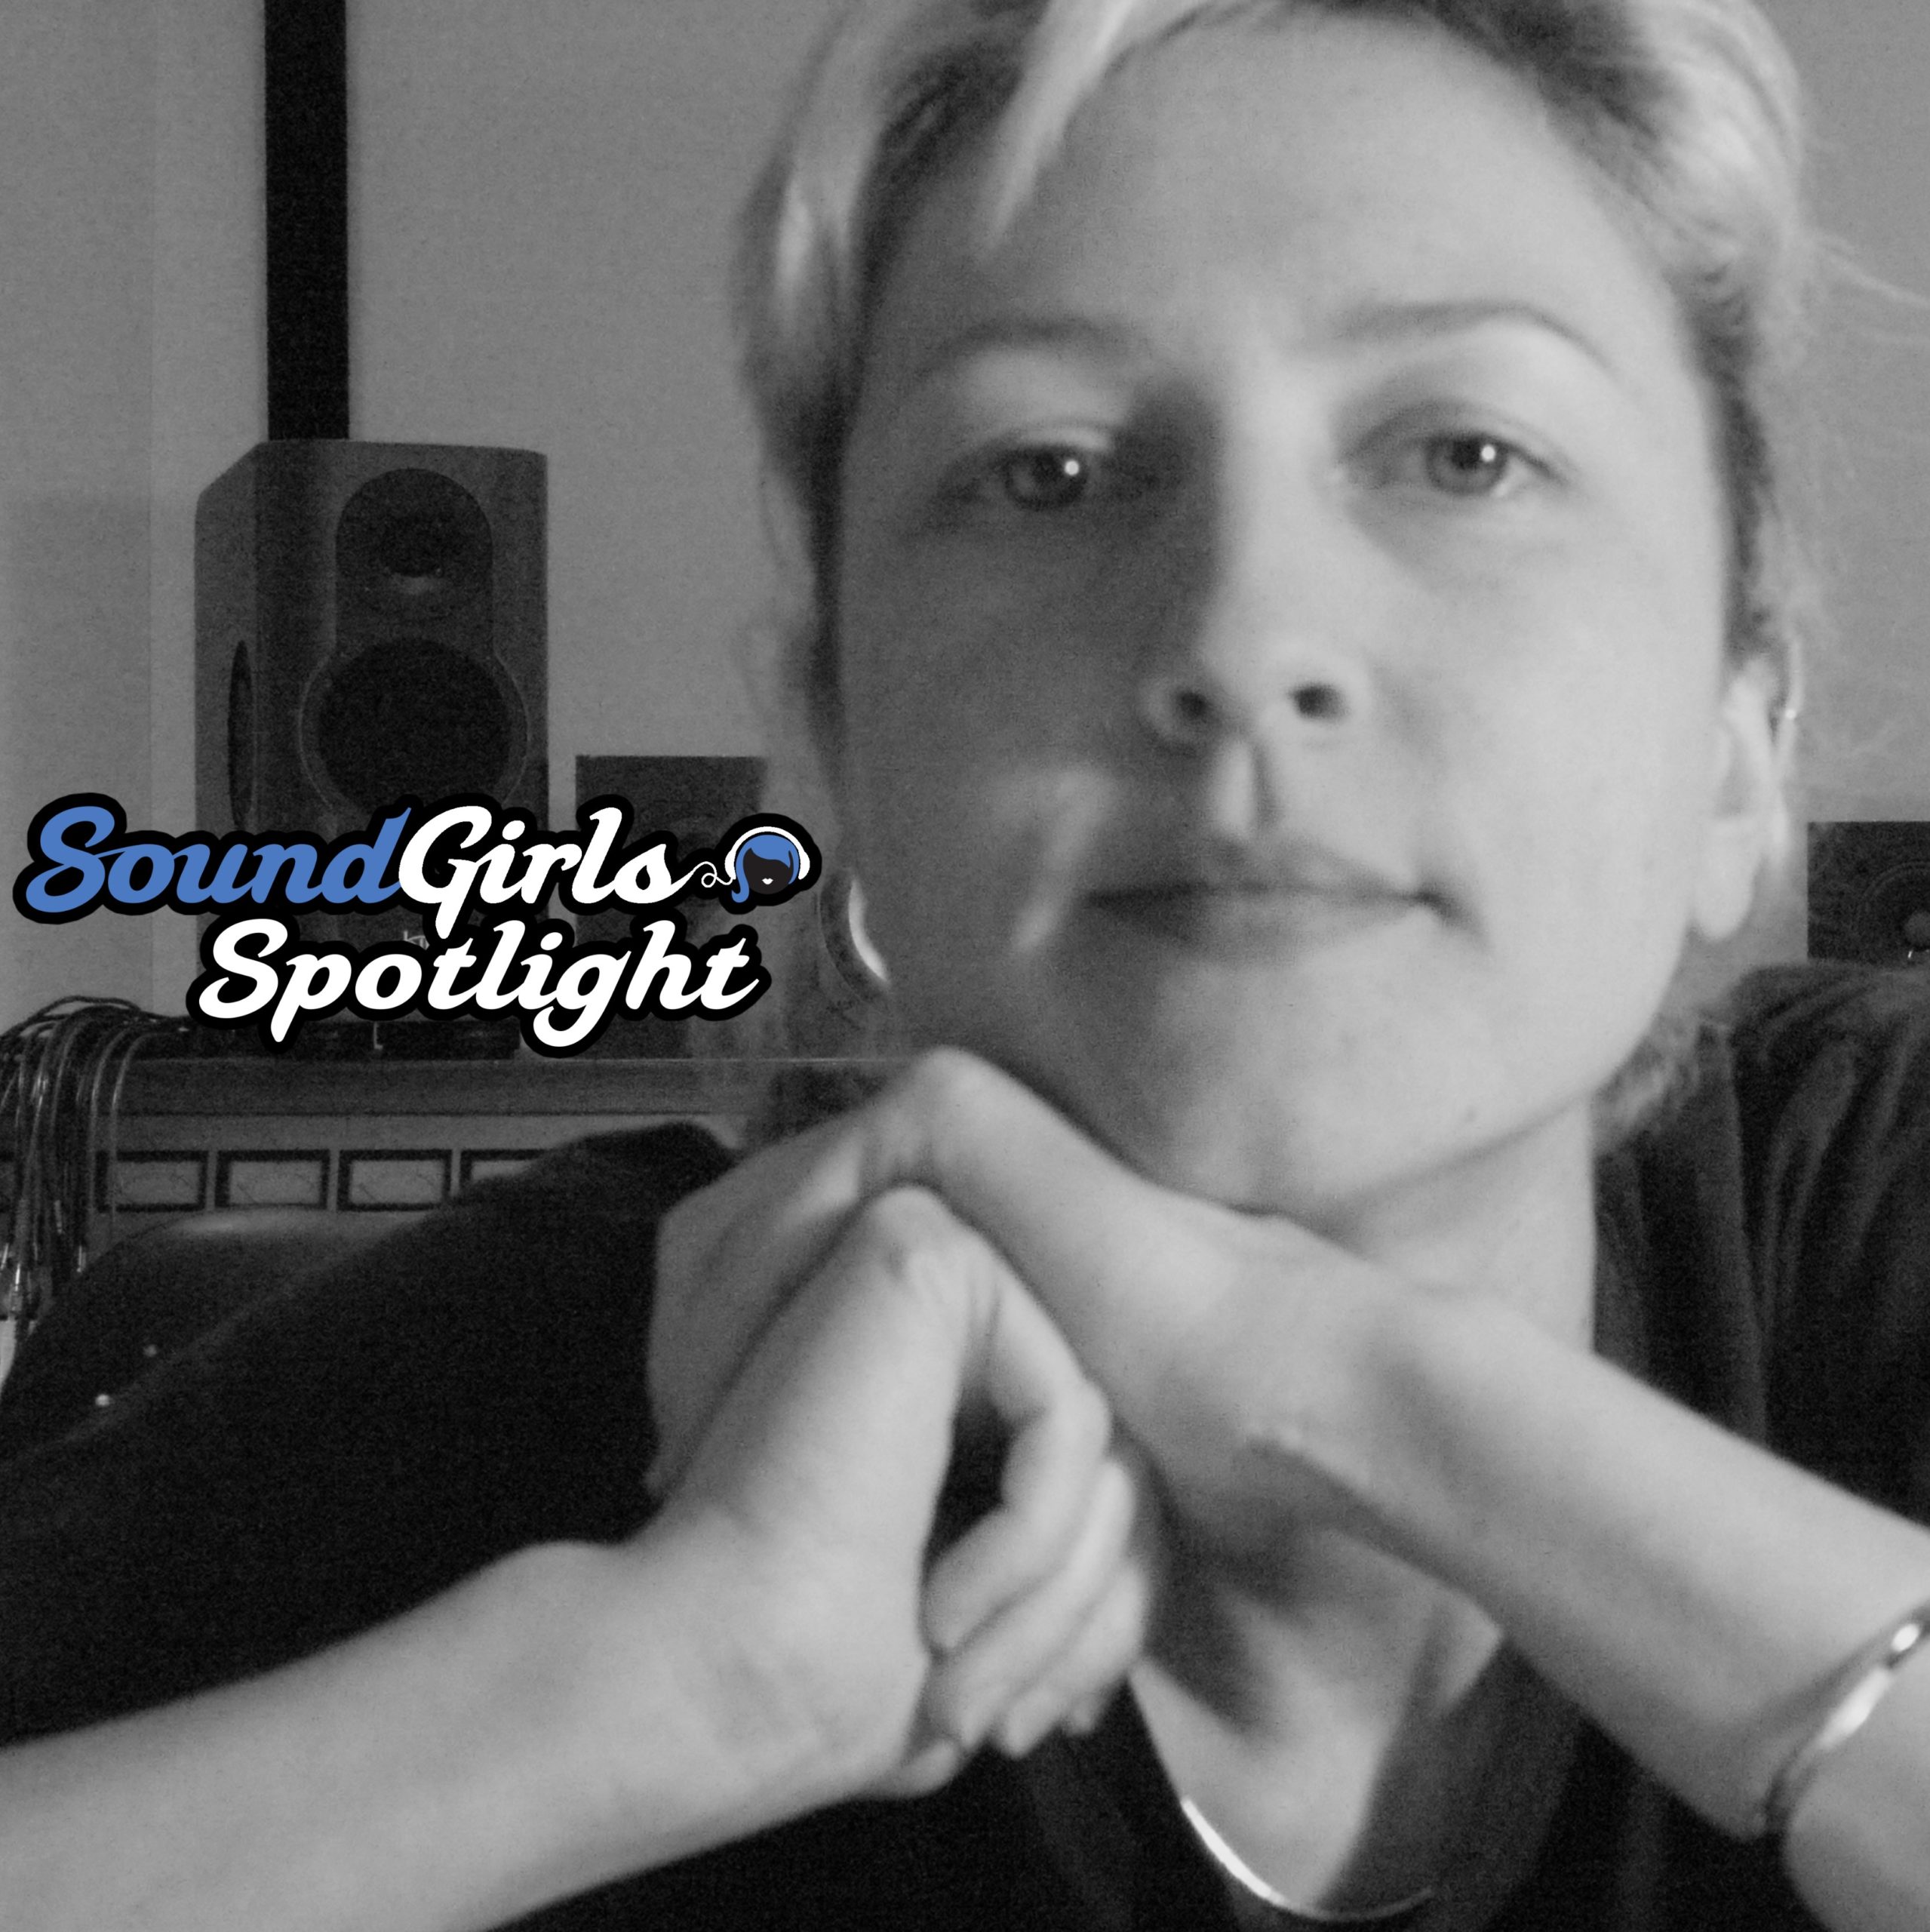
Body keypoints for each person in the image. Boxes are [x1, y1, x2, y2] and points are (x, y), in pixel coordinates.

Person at [2, 1, 1929, 1927]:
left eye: (1466, 452)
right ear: (840, 740)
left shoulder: (1879, 1205)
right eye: (1047, 472)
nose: (1244, 633)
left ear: (1737, 746)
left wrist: (1336, 1386)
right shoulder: (500, 1404)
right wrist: (648, 1697)